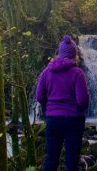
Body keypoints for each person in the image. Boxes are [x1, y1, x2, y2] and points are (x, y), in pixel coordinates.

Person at [36, 35, 90, 171]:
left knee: (51, 158)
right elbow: (83, 100)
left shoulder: (46, 72)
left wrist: (49, 108)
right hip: (74, 120)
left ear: (59, 53)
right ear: (74, 55)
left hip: (53, 119)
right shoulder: (78, 73)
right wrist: (80, 110)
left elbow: (39, 96)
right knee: (72, 160)